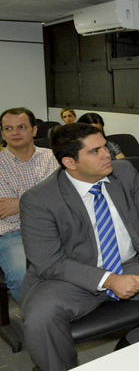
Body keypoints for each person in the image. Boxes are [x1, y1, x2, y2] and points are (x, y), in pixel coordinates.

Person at [19, 123, 139, 371]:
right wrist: (109, 280)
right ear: (70, 162)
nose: (107, 154)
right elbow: (50, 262)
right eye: (95, 151)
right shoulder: (39, 199)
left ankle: (131, 347)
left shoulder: (123, 172)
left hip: (128, 264)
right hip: (70, 276)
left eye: (105, 146)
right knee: (40, 320)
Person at [0, 108, 59, 302]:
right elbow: (5, 210)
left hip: (55, 227)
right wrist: (44, 200)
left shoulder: (53, 157)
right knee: (22, 276)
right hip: (14, 233)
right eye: (8, 128)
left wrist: (20, 203)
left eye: (21, 127)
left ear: (34, 130)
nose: (15, 133)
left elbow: (64, 197)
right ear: (2, 134)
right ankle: (37, 318)